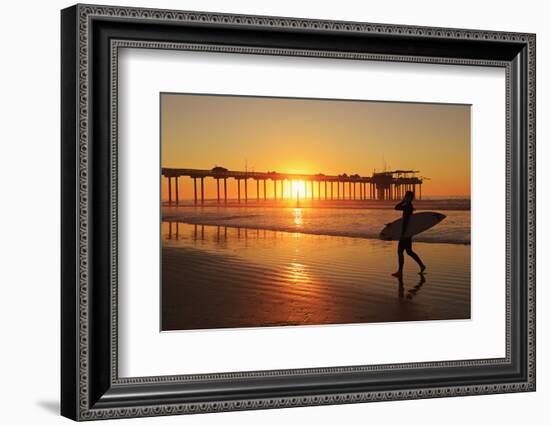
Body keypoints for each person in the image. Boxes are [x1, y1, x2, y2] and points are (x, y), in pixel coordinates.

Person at [392, 191, 426, 277]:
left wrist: (404, 234)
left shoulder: (407, 206)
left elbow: (397, 208)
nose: (405, 197)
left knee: (400, 252)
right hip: (408, 232)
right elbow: (398, 210)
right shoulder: (409, 206)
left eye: (406, 196)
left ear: (410, 198)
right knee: (409, 251)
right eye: (405, 196)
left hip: (406, 233)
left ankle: (400, 272)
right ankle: (422, 265)